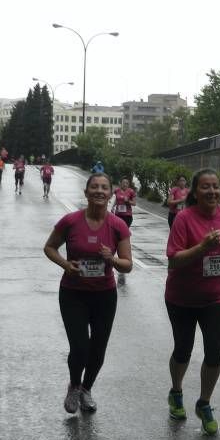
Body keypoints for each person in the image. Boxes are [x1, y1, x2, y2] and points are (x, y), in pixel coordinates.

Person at [164, 168, 220, 435]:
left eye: (216, 186)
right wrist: (201, 248)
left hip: (216, 296)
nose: (212, 191)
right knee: (183, 349)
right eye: (205, 187)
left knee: (215, 352)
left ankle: (204, 403)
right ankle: (176, 392)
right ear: (194, 192)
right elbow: (173, 259)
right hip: (182, 297)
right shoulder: (183, 219)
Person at [43, 172, 132, 414]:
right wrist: (65, 264)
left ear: (111, 193)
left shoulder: (118, 226)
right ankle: (74, 385)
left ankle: (86, 389)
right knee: (80, 347)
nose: (99, 191)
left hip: (104, 296)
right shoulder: (70, 221)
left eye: (104, 187)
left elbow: (128, 265)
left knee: (98, 349)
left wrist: (111, 259)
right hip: (73, 294)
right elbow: (49, 247)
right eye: (94, 187)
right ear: (86, 193)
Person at [111, 177, 137, 285]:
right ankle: (120, 249)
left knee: (122, 235)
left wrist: (128, 201)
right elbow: (115, 200)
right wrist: (112, 208)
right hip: (118, 216)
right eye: (123, 182)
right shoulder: (116, 190)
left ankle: (123, 251)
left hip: (127, 216)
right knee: (117, 235)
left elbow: (134, 203)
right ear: (120, 183)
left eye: (127, 183)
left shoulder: (131, 192)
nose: (125, 184)